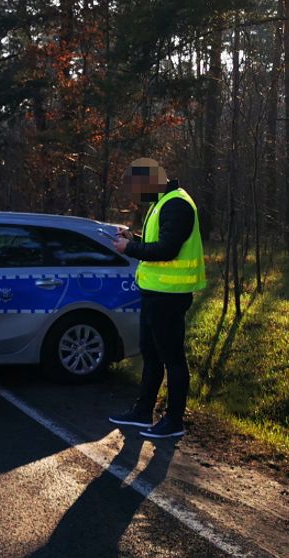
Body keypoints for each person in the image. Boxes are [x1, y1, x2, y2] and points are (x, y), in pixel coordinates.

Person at [109, 158, 206, 439]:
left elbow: (167, 249)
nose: (136, 196)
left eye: (137, 189)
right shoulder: (163, 202)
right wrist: (134, 237)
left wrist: (130, 247)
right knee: (151, 355)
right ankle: (143, 412)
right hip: (155, 293)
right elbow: (160, 240)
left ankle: (174, 421)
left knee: (172, 359)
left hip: (170, 296)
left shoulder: (177, 203)